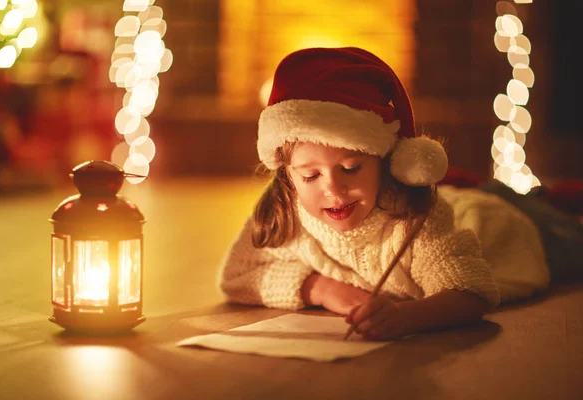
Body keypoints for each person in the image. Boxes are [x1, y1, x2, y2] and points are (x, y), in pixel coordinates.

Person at [218, 47, 580, 341]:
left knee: (559, 225)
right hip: (461, 199)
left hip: (506, 227)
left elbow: (472, 291)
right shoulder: (286, 210)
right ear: (287, 176)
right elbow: (237, 275)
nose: (332, 189)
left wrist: (408, 317)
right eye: (310, 175)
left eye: (350, 168)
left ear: (387, 162)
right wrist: (322, 289)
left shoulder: (416, 220)